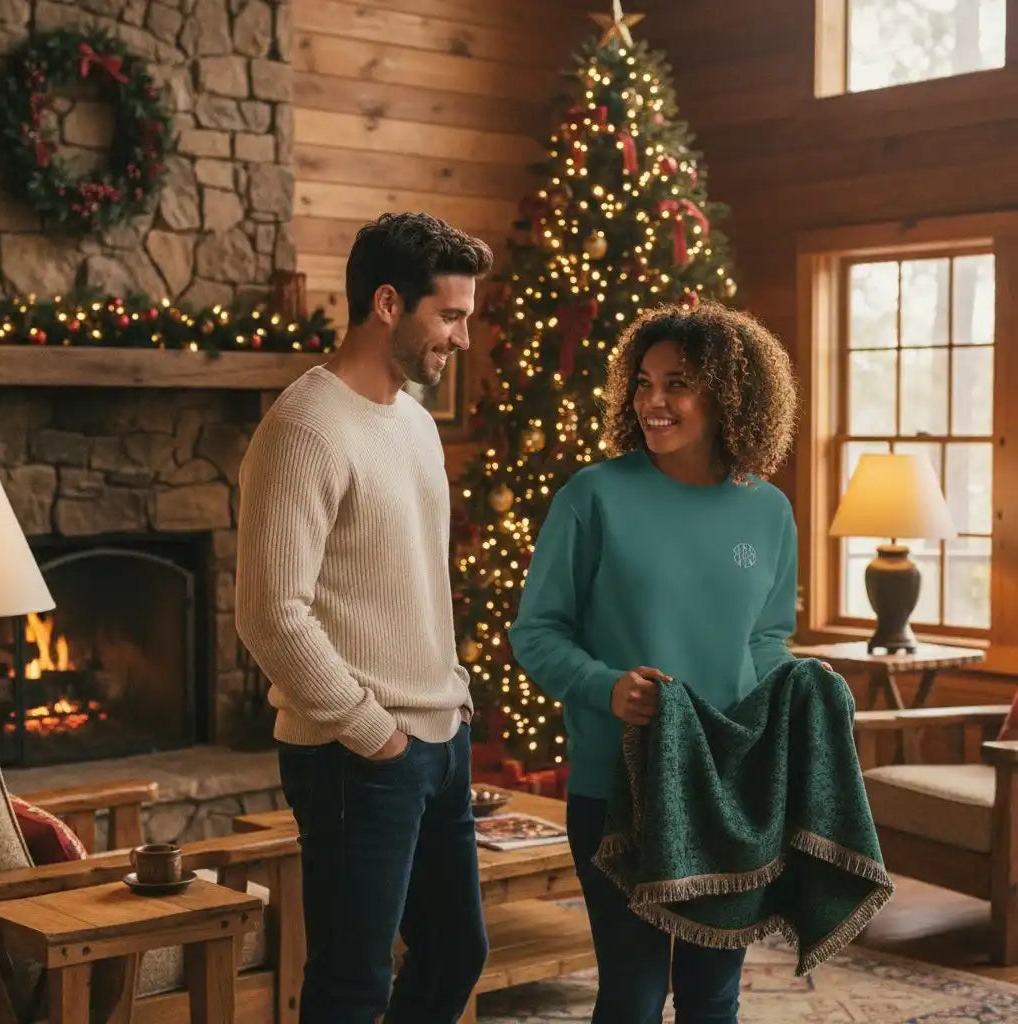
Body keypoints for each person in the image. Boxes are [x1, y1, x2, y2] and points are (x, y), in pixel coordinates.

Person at [508, 301, 799, 1024]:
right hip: (617, 784)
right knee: (635, 993)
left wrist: (794, 694)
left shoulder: (768, 512)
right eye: (643, 382)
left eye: (678, 383)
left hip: (728, 789)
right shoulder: (594, 495)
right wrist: (607, 688)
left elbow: (766, 639)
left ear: (731, 394)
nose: (653, 402)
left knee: (712, 996)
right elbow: (536, 633)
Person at [235, 212, 494, 1023]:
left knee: (457, 954)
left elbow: (410, 578)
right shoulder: (305, 427)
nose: (460, 337)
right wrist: (370, 729)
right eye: (448, 316)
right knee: (352, 983)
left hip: (439, 738)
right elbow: (270, 613)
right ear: (388, 303)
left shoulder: (414, 423)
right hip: (358, 755)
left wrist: (446, 699)